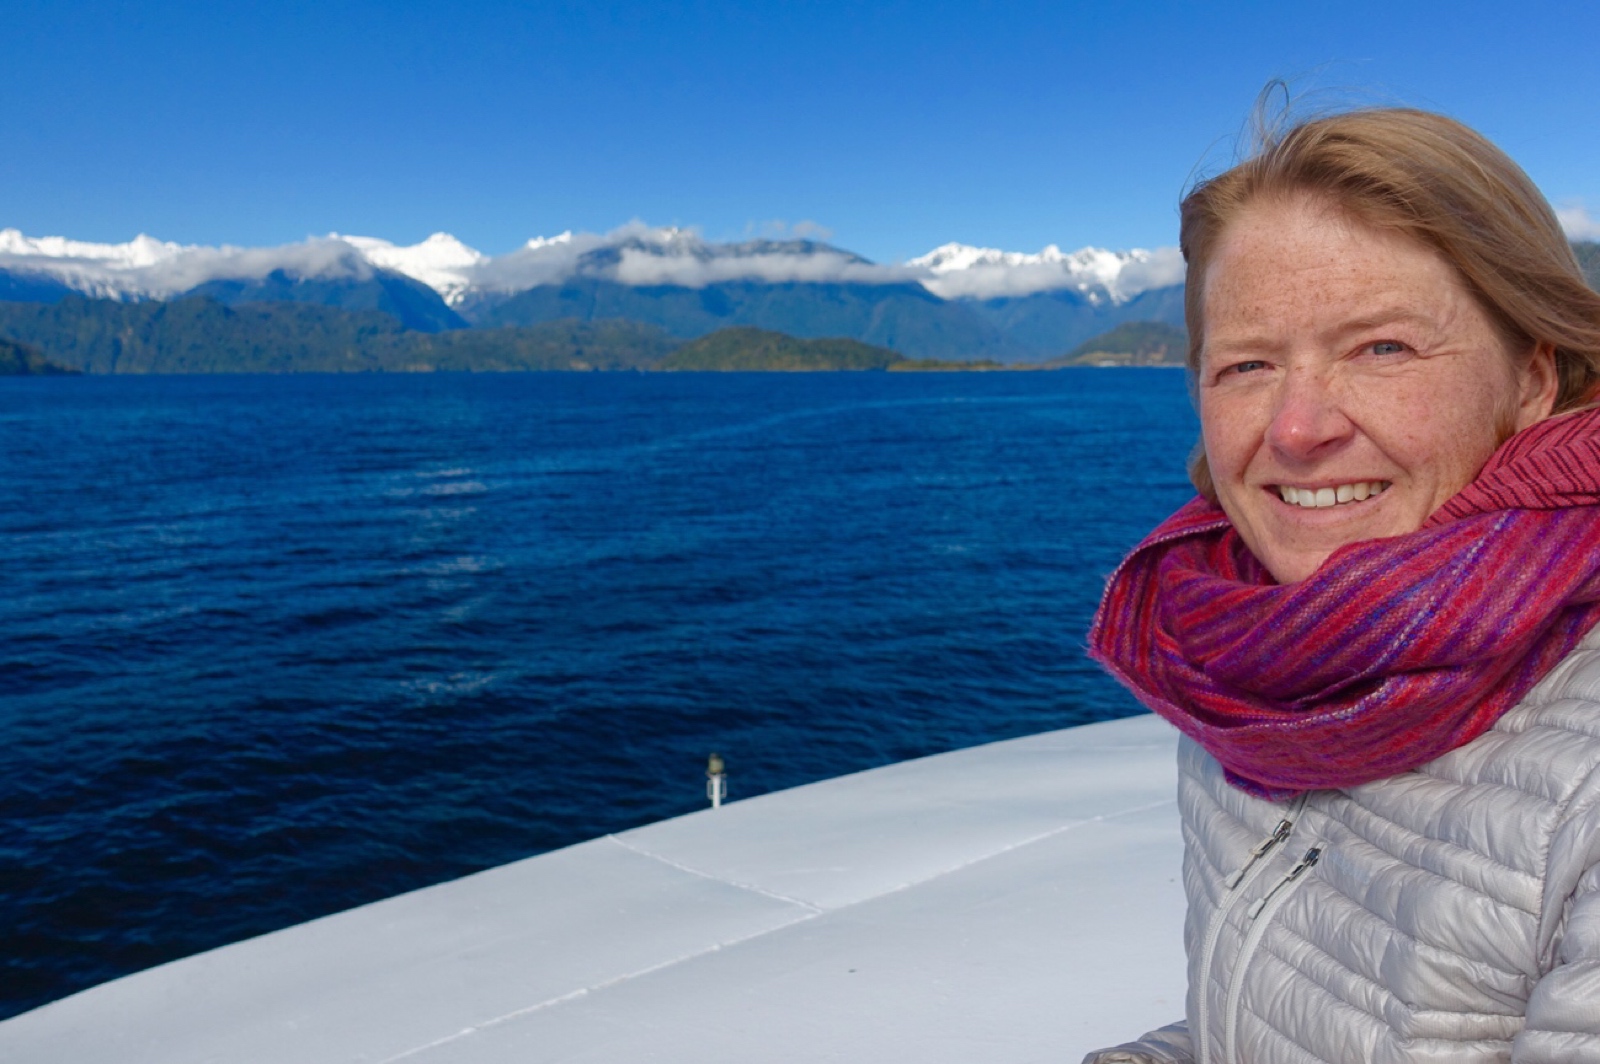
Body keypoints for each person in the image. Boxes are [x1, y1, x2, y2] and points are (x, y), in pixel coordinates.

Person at [1083, 106, 1600, 1063]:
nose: (1295, 428)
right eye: (1247, 364)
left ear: (1533, 377)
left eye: (1382, 348)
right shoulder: (1246, 665)